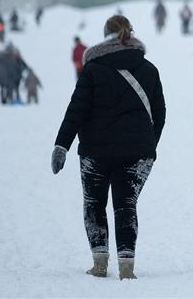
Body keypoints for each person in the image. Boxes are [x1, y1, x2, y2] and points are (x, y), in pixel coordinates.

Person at [51, 15, 166, 280]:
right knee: (126, 205)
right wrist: (148, 143)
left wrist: (62, 145)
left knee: (94, 203)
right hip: (138, 152)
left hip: (95, 151)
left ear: (105, 37)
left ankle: (100, 262)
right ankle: (127, 267)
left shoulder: (92, 70)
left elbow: (76, 111)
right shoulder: (149, 70)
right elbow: (159, 114)